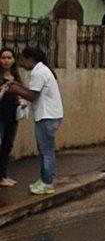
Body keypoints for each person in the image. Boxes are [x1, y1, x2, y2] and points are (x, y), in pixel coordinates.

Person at [7, 47, 63, 195]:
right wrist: (17, 86)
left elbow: (32, 95)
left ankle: (47, 182)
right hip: (49, 115)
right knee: (45, 149)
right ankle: (44, 178)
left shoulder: (39, 72)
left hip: (47, 116)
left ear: (30, 59)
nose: (22, 63)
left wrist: (15, 90)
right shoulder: (41, 70)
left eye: (23, 60)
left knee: (46, 151)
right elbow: (31, 91)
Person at [0, 47, 25, 187]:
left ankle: (3, 176)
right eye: (3, 57)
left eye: (9, 58)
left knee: (7, 146)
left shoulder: (16, 77)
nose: (6, 61)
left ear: (14, 60)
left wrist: (22, 101)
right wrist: (3, 90)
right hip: (1, 116)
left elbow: (20, 94)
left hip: (12, 116)